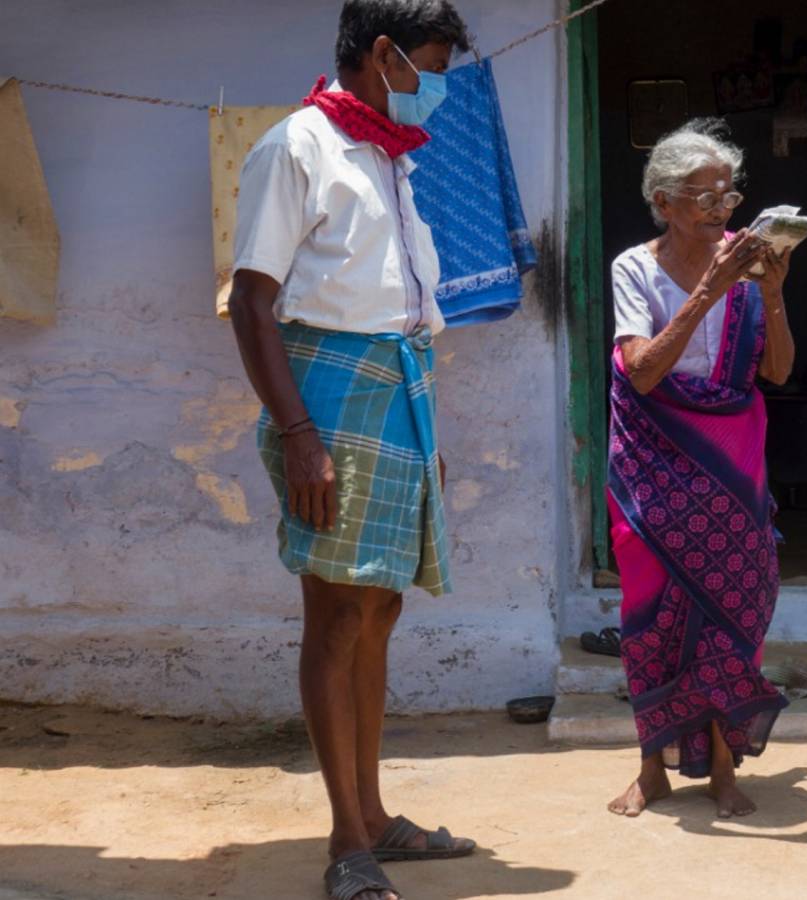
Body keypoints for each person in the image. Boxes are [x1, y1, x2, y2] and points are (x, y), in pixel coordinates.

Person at [228, 2, 475, 898]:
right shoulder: (296, 146)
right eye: (431, 66)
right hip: (327, 402)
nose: (438, 87)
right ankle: (347, 844)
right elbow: (253, 303)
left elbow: (401, 301)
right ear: (382, 54)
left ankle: (374, 815)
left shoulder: (384, 155)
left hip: (398, 395)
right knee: (336, 618)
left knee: (378, 615)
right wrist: (300, 438)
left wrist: (426, 434)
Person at [605, 119, 797, 820]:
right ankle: (651, 767)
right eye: (703, 197)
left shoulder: (746, 265)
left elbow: (775, 370)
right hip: (652, 472)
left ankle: (721, 765)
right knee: (650, 618)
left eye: (728, 194)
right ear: (663, 202)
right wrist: (710, 291)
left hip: (733, 466)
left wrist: (769, 291)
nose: (722, 209)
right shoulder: (635, 268)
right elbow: (644, 372)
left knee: (735, 609)